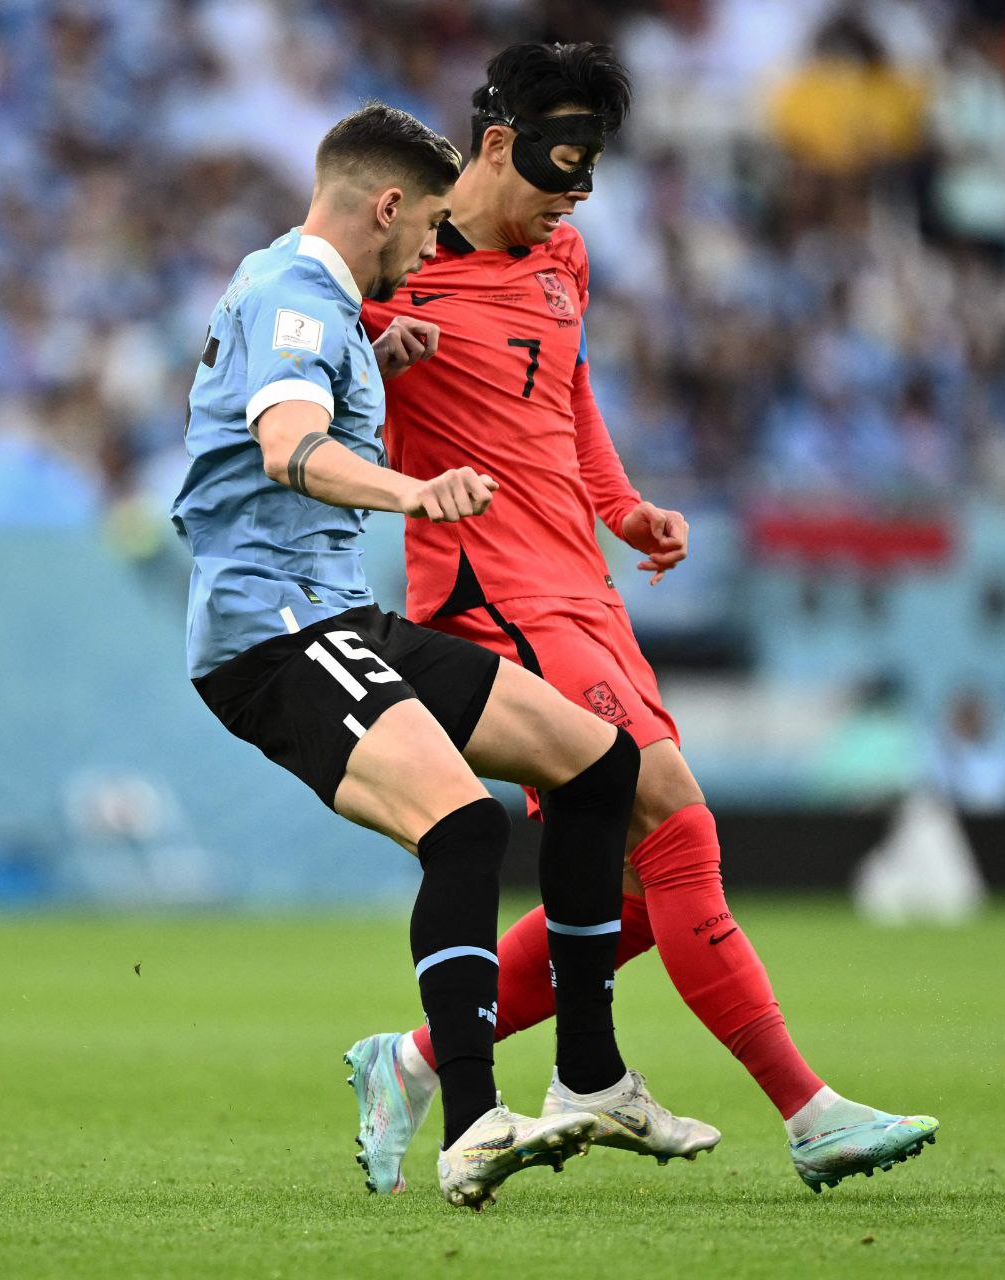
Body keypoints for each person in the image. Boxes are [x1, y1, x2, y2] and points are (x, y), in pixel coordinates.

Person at [351, 43, 938, 1196]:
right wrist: (366, 353)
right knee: (675, 822)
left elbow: (566, 389)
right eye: (551, 180)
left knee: (623, 890)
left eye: (586, 186)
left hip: (583, 586)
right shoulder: (390, 266)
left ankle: (411, 1058)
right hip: (489, 599)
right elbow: (293, 396)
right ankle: (805, 1111)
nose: (566, 207)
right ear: (497, 145)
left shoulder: (562, 254)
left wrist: (622, 508)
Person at [171, 103, 714, 1213]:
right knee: (464, 826)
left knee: (599, 764)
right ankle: (469, 1120)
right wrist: (413, 488)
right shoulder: (291, 292)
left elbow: (269, 403)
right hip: (273, 633)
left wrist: (376, 346)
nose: (431, 247)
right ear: (384, 206)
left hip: (336, 615)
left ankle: (590, 1073)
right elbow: (284, 447)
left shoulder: (312, 297)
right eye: (424, 224)